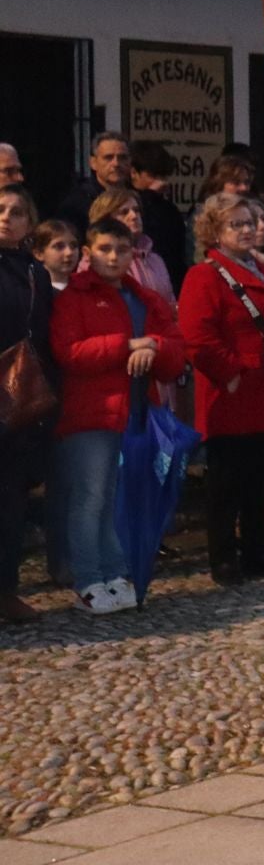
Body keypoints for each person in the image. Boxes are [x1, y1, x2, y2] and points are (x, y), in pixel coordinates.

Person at [50, 217, 186, 613]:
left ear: (132, 253)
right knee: (90, 498)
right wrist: (128, 345)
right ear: (88, 253)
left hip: (136, 413)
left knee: (117, 500)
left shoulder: (144, 298)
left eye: (122, 250)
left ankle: (115, 574)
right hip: (90, 415)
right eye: (105, 249)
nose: (113, 257)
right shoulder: (73, 298)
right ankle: (88, 579)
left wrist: (153, 346)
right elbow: (70, 352)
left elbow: (175, 351)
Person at [177, 194, 264, 585]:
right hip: (232, 391)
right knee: (226, 480)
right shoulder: (204, 276)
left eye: (251, 222)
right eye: (237, 224)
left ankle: (256, 550)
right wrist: (230, 373)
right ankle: (223, 556)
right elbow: (197, 336)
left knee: (262, 477)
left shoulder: (263, 270)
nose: (248, 230)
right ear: (215, 231)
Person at [0, 186, 54, 623]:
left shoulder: (34, 272)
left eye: (17, 211)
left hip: (17, 396)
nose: (6, 217)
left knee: (11, 500)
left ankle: (5, 589)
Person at [87, 187, 176, 315]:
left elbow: (170, 303)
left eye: (136, 210)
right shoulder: (96, 260)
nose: (134, 216)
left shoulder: (156, 260)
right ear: (105, 220)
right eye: (124, 212)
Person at [130, 141, 189, 293]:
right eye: (153, 175)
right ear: (134, 173)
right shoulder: (127, 205)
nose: (160, 182)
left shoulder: (169, 209)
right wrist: (149, 195)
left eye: (163, 176)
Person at [55, 131, 132, 231]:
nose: (116, 163)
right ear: (93, 163)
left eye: (123, 158)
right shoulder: (77, 203)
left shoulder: (140, 198)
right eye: (108, 158)